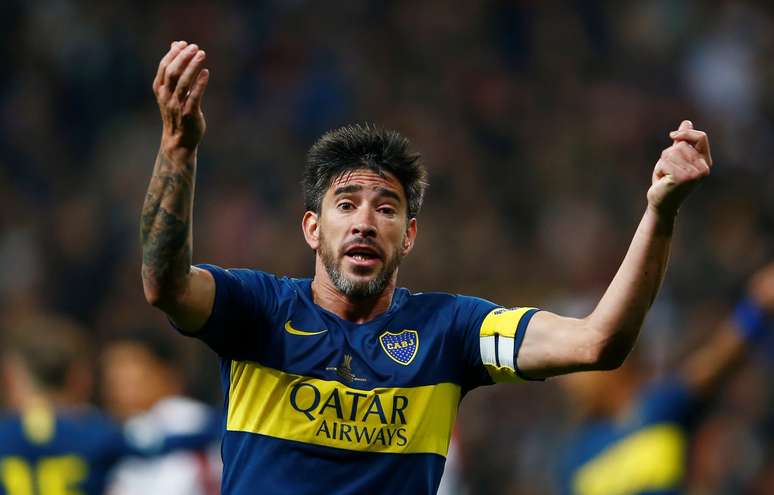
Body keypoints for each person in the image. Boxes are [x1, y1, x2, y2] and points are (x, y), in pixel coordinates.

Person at [140, 40, 712, 495]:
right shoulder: (257, 310)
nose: (365, 222)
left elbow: (597, 343)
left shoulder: (451, 332)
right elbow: (164, 285)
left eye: (386, 208)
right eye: (346, 205)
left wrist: (659, 212)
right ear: (312, 228)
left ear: (408, 235)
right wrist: (178, 148)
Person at [557, 262, 774, 495]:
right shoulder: (577, 456)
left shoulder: (663, 406)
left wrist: (756, 306)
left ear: (609, 356)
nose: (569, 383)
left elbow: (720, 359)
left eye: (575, 368)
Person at [0, 314, 219, 495]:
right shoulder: (98, 435)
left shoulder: (6, 435)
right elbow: (162, 443)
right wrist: (219, 423)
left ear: (10, 376)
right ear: (81, 378)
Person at [101, 329, 220, 495]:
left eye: (129, 366)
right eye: (112, 372)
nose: (117, 381)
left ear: (166, 372)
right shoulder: (114, 434)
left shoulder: (189, 419)